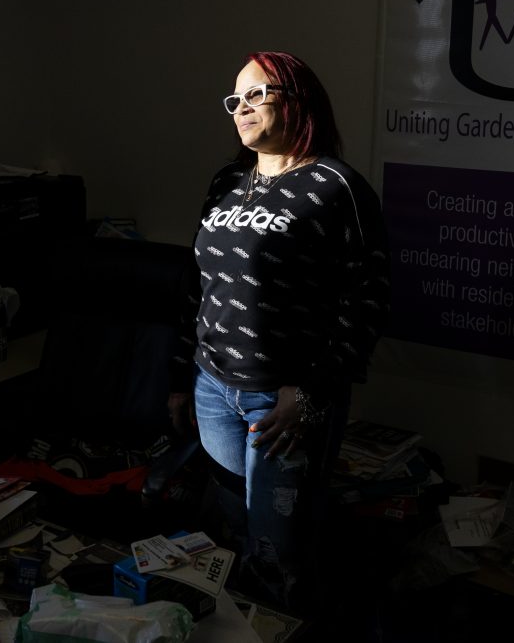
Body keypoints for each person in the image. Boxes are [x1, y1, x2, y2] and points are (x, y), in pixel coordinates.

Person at [168, 51, 391, 613]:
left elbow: (368, 298)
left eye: (256, 94)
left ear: (298, 100)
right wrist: (182, 376)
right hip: (214, 387)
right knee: (234, 532)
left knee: (278, 550)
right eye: (234, 99)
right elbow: (199, 286)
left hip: (283, 401)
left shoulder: (335, 186)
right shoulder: (228, 180)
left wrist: (311, 391)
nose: (240, 108)